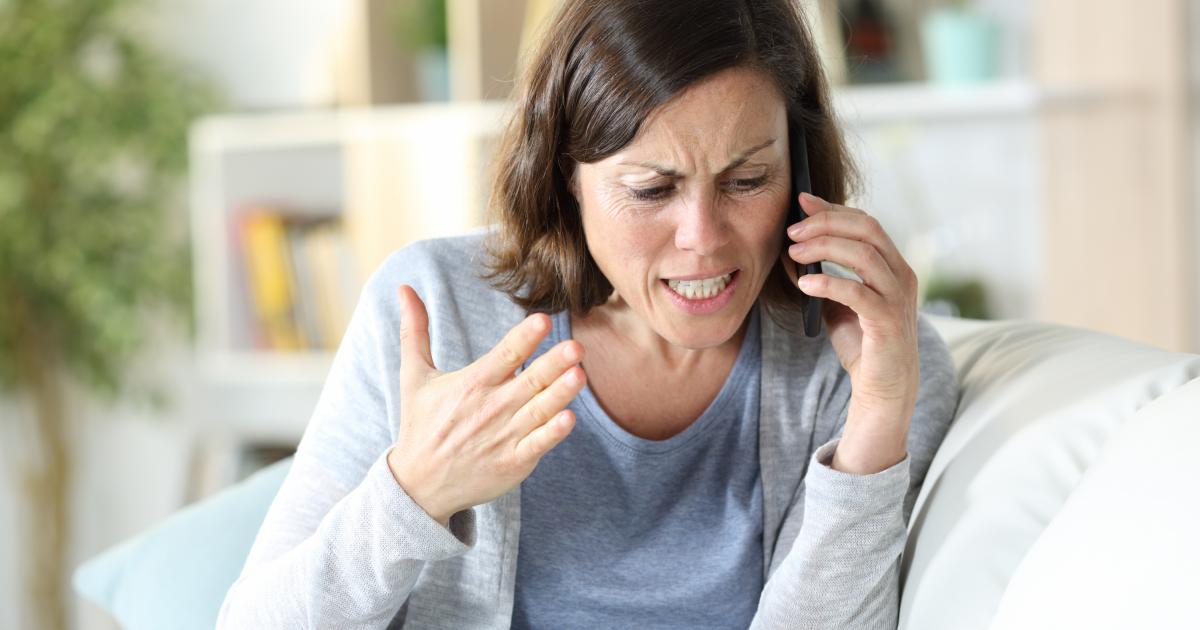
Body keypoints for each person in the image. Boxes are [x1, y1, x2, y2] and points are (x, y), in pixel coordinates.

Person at [216, 0, 958, 628]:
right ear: (565, 178)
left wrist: (879, 417)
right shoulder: (438, 310)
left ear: (798, 168)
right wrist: (415, 491)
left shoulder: (865, 364)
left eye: (748, 180)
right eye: (650, 189)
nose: (702, 239)